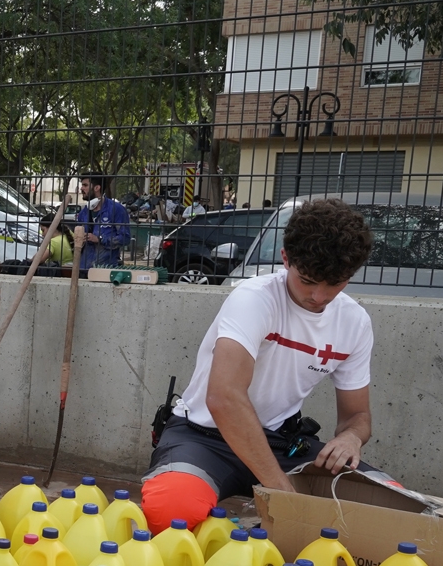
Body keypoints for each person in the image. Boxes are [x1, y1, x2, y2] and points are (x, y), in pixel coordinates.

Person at [140, 199, 393, 532]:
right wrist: (282, 493)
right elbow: (224, 398)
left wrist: (350, 440)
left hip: (281, 443)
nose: (318, 296)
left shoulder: (355, 323)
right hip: (203, 438)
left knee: (392, 505)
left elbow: (358, 417)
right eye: (307, 281)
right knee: (171, 513)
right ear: (286, 259)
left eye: (334, 284)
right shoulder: (254, 297)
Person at [74, 175, 132, 269]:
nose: (81, 188)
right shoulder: (83, 213)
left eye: (85, 185)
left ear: (97, 188)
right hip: (84, 268)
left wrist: (100, 239)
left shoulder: (116, 209)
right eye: (82, 185)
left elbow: (125, 238)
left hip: (106, 268)